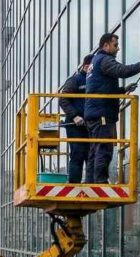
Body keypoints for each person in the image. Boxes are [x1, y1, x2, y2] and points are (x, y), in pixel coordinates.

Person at [84, 33, 140, 183]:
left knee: (94, 150)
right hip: (102, 113)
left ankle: (91, 183)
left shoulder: (95, 62)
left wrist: (123, 90)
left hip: (94, 112)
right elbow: (122, 71)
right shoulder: (104, 59)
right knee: (104, 149)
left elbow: (101, 88)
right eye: (115, 45)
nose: (118, 48)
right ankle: (100, 183)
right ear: (106, 45)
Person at [58, 55, 95, 183]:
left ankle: (91, 183)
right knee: (77, 154)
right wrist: (74, 116)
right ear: (86, 66)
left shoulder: (94, 81)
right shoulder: (75, 80)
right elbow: (63, 99)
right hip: (76, 125)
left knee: (91, 155)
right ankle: (74, 184)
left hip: (90, 124)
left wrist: (123, 90)